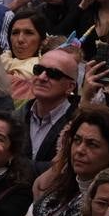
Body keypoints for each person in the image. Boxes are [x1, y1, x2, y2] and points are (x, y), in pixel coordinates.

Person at [22, 45, 79, 174]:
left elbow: (64, 171)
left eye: (53, 74)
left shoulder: (78, 123)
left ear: (70, 87)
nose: (41, 77)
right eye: (38, 69)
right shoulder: (15, 117)